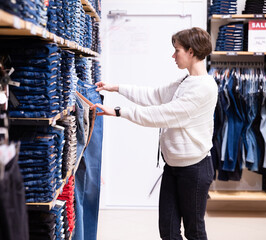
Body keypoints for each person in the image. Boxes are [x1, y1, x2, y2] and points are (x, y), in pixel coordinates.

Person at [91, 27, 218, 240]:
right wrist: (116, 88)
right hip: (174, 167)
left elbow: (162, 115)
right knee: (168, 230)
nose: (173, 55)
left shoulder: (204, 88)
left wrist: (118, 112)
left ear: (191, 51)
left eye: (176, 50)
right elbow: (154, 95)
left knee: (194, 231)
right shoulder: (185, 81)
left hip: (194, 170)